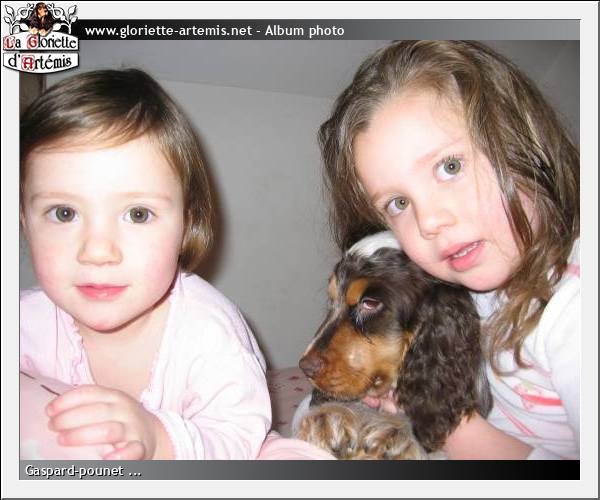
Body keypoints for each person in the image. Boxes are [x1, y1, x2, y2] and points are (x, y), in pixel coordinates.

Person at [319, 41, 579, 460]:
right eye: (398, 203)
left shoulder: (576, 310)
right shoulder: (475, 286)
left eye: (450, 166)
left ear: (524, 139)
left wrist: (452, 426)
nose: (428, 221)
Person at [19, 69, 272, 460]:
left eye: (138, 214)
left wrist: (159, 439)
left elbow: (239, 436)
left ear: (186, 224)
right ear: (24, 222)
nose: (97, 251)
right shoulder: (22, 321)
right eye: (64, 213)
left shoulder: (211, 334)